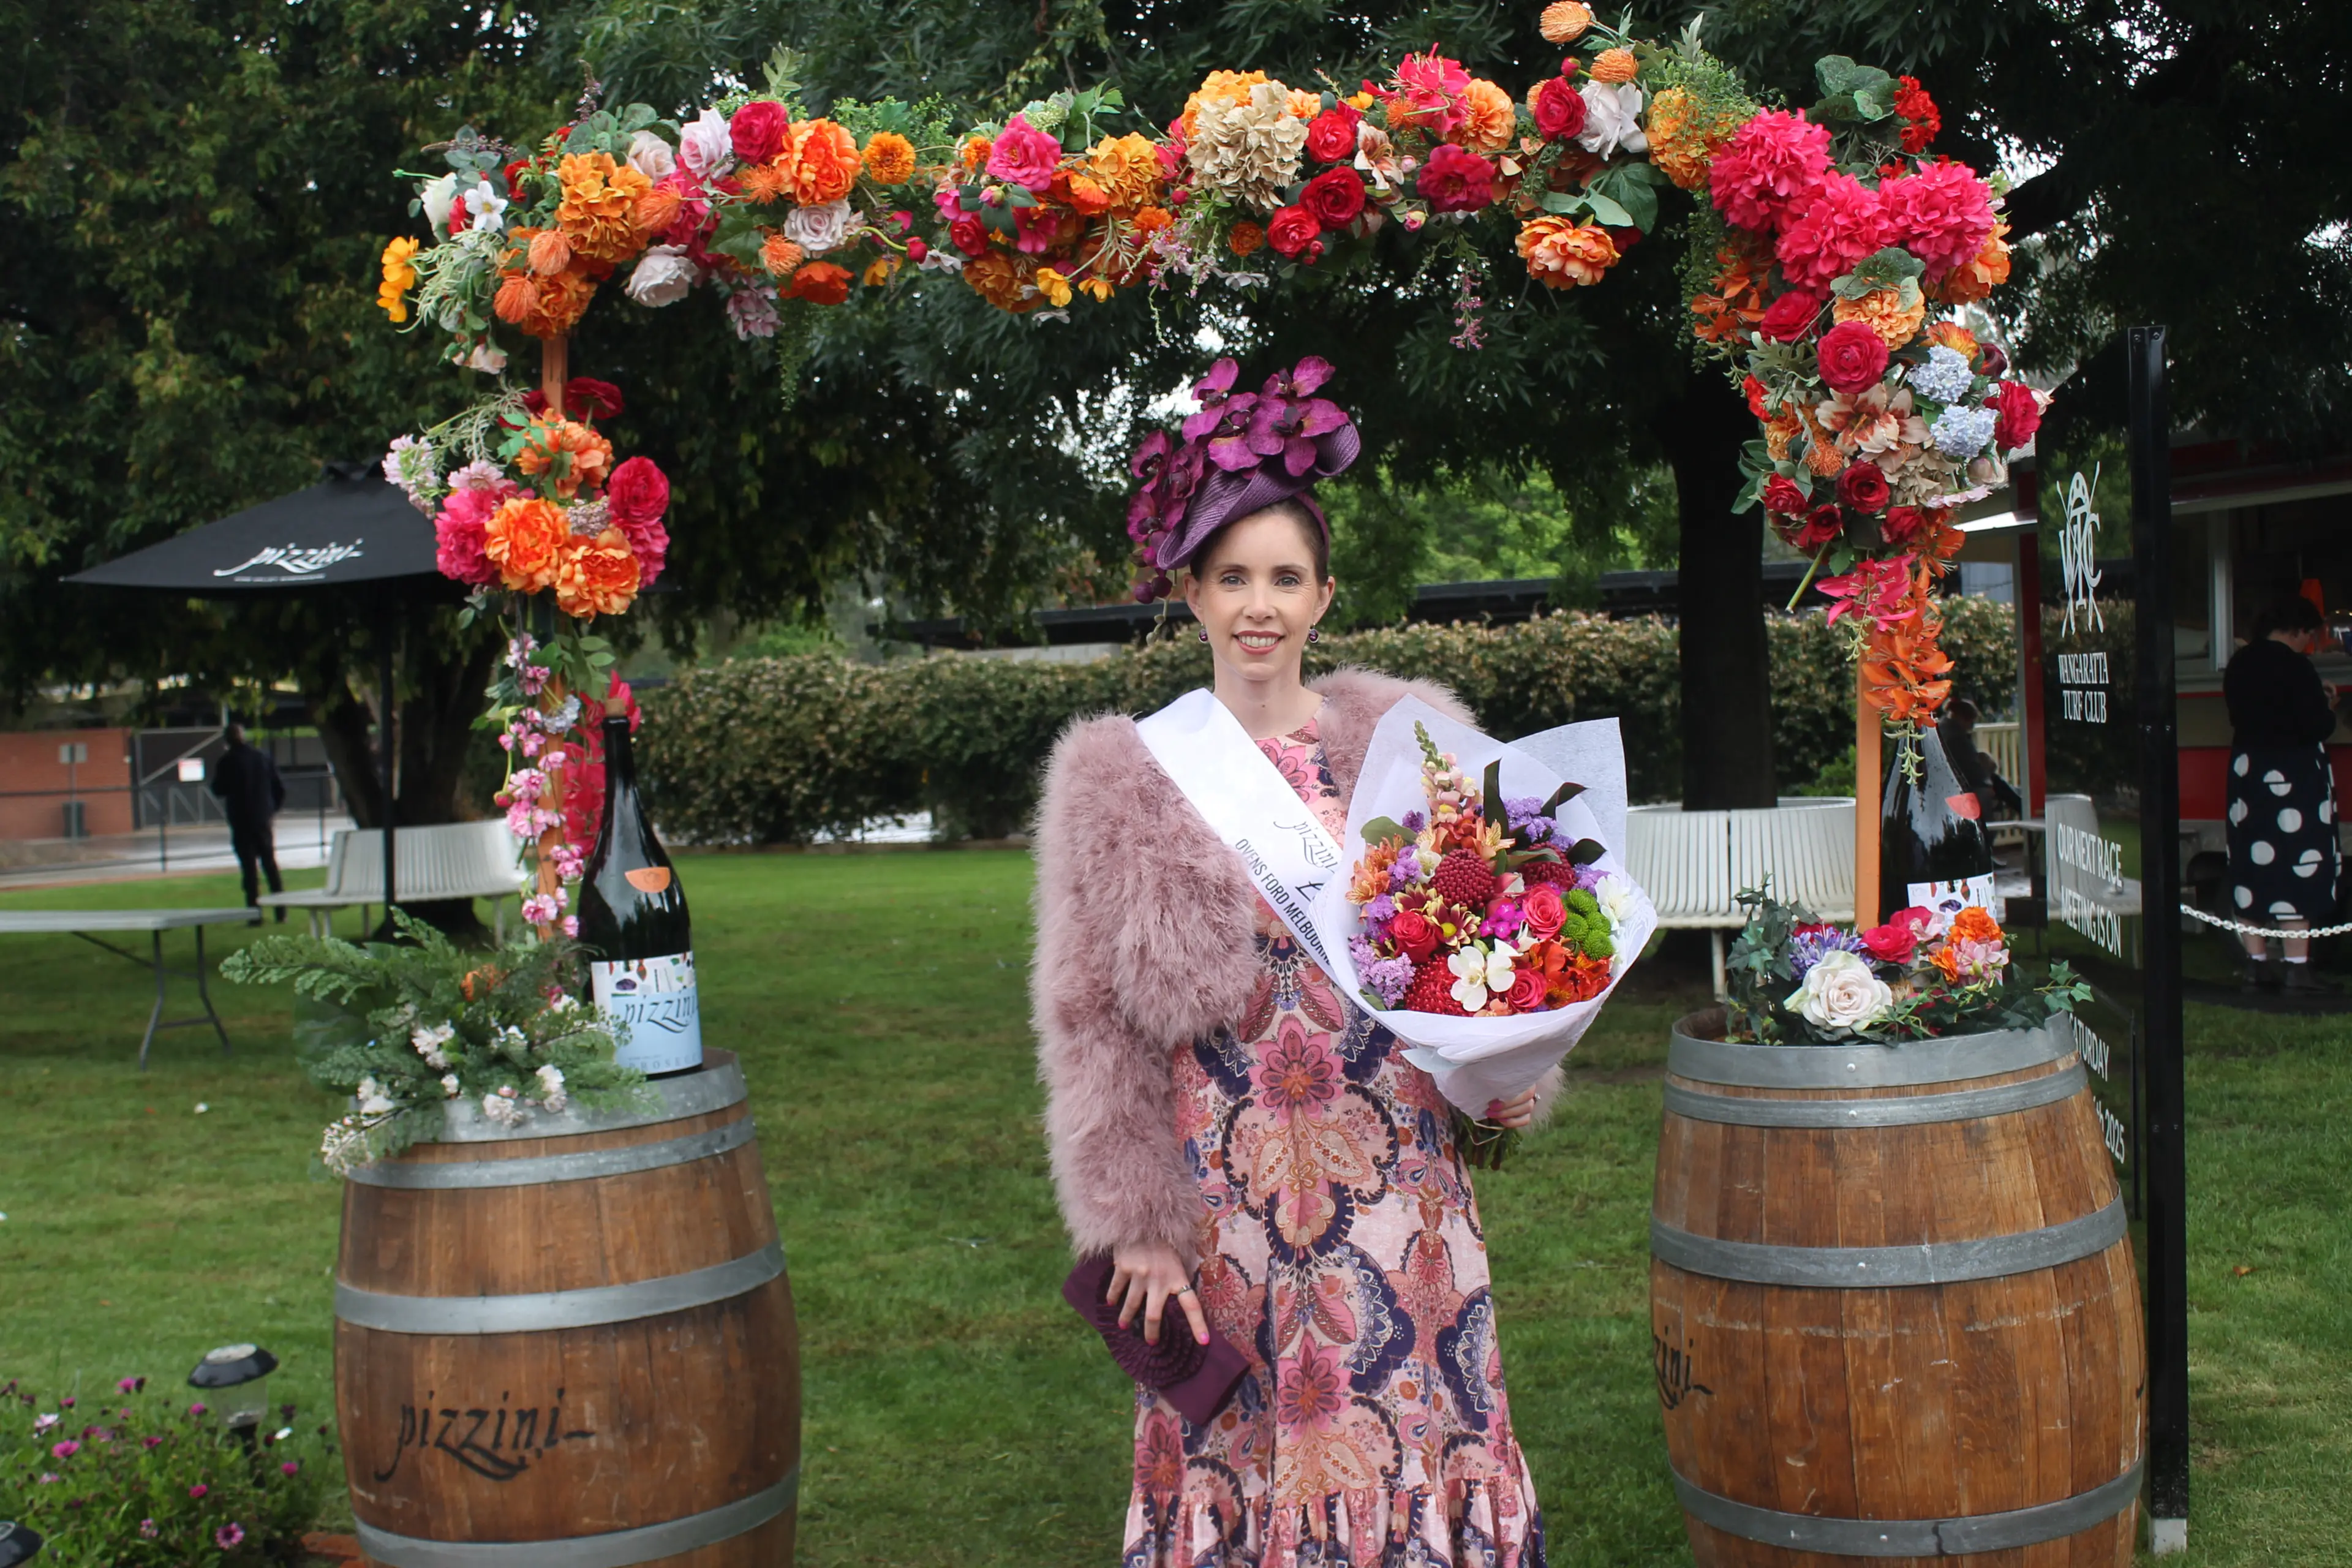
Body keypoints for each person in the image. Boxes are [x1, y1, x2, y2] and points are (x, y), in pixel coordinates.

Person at [1032, 359, 1551, 1567]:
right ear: (1194, 595)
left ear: (1324, 594)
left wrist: (1509, 1067)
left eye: (1283, 577)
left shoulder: (1412, 738)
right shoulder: (1121, 771)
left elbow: (1497, 952)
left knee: (1406, 1435)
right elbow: (1089, 1018)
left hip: (1402, 1176)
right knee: (1253, 1452)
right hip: (1227, 1191)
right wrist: (1133, 1220)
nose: (1257, 604)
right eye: (1231, 579)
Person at [2223, 595, 2342, 990]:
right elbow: (2316, 725)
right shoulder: (2296, 666)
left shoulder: (2240, 664)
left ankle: (2257, 964)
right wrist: (2328, 705)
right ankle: (2297, 967)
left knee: (2252, 864)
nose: (2307, 643)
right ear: (2296, 630)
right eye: (2307, 635)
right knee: (2298, 864)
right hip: (2294, 778)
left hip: (2249, 774)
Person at [209, 722, 287, 917]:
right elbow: (279, 788)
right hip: (262, 818)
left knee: (249, 867)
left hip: (241, 819)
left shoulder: (227, 761)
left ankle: (254, 911)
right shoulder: (262, 758)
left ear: (227, 740)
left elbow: (218, 789)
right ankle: (281, 909)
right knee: (269, 863)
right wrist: (270, 810)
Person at [1941, 698, 2023, 821]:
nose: (1972, 727)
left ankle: (2020, 801)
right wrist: (1986, 783)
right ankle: (2023, 806)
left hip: (1960, 782)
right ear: (1963, 718)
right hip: (1969, 785)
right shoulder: (1956, 737)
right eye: (1971, 722)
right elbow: (1971, 769)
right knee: (1998, 784)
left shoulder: (1944, 728)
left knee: (1999, 784)